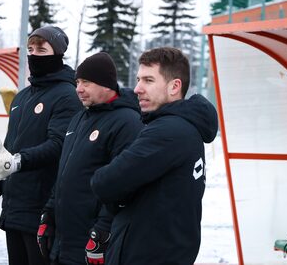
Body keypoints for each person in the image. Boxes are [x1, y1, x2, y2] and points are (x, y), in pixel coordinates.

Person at [90, 47, 219, 264]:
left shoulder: (168, 131)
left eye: (148, 80)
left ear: (174, 86)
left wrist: (119, 195)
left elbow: (104, 182)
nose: (137, 88)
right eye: (139, 79)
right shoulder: (182, 127)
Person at [0, 26, 82, 265]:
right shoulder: (21, 98)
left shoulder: (67, 95)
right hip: (14, 210)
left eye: (41, 49)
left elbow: (59, 145)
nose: (33, 55)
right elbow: (9, 153)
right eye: (30, 49)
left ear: (59, 54)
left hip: (43, 210)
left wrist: (19, 161)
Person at [37, 52, 143, 265]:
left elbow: (123, 184)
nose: (79, 89)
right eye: (77, 82)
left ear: (106, 84)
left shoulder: (127, 122)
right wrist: (49, 212)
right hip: (63, 239)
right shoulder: (79, 118)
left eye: (86, 82)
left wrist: (102, 230)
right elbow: (65, 171)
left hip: (91, 239)